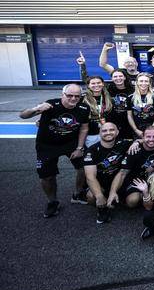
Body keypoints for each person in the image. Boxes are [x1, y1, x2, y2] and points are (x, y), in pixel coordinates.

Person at [20, 84, 90, 218]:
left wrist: (80, 148)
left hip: (70, 142)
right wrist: (37, 108)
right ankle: (52, 201)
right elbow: (23, 115)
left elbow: (84, 128)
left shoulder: (83, 108)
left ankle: (78, 193)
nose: (73, 98)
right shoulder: (50, 105)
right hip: (47, 145)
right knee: (47, 176)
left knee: (85, 167)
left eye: (77, 96)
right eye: (69, 95)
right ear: (62, 94)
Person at [109, 126, 154, 209]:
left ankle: (151, 196)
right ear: (143, 137)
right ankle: (143, 196)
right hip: (137, 180)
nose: (151, 139)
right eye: (148, 136)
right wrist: (112, 192)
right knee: (132, 201)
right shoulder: (134, 150)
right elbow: (122, 173)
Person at [83, 122, 131, 223]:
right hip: (101, 183)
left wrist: (137, 142)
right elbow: (90, 177)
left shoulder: (124, 144)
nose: (108, 132)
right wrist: (99, 196)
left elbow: (144, 141)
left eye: (111, 130)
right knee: (91, 196)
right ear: (99, 133)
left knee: (132, 202)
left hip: (120, 181)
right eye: (104, 130)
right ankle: (102, 208)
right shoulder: (91, 151)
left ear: (117, 132)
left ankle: (117, 199)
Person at [127, 73, 154, 138]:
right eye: (141, 81)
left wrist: (152, 129)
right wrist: (135, 130)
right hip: (137, 129)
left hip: (153, 127)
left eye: (146, 81)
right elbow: (129, 115)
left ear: (149, 83)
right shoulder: (130, 98)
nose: (143, 83)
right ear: (137, 83)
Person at [81, 75, 112, 148]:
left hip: (107, 132)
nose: (96, 85)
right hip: (91, 134)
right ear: (88, 86)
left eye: (98, 83)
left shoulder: (108, 97)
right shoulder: (82, 99)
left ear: (103, 84)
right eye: (93, 83)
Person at [106, 69, 134, 138]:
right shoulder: (107, 90)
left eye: (120, 76)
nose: (118, 78)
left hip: (129, 122)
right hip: (112, 122)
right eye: (115, 76)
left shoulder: (133, 90)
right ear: (112, 78)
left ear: (125, 77)